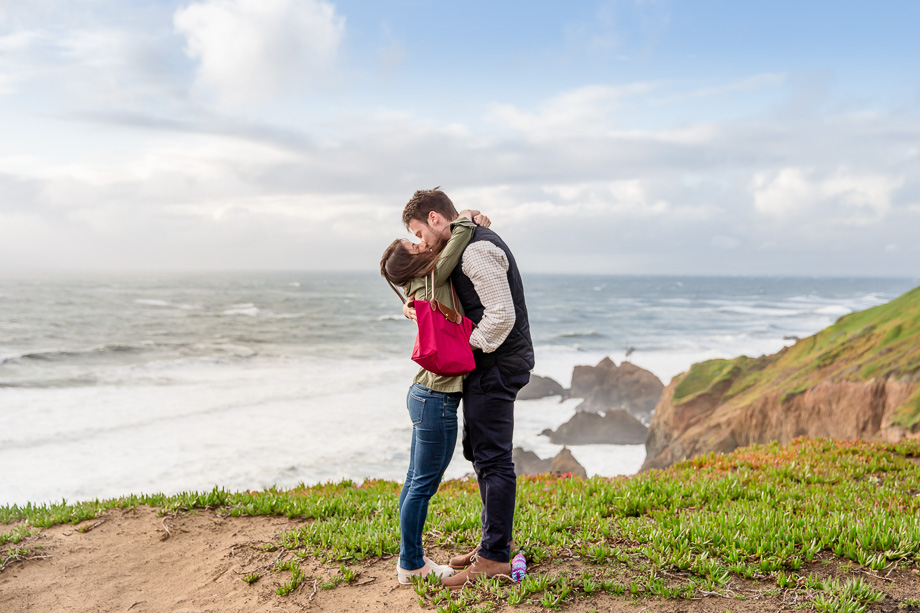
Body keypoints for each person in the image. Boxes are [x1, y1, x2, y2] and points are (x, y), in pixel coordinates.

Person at [401, 188, 534, 588]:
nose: (421, 242)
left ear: (436, 220)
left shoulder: (475, 250)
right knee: (479, 452)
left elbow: (500, 316)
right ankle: (495, 541)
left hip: (496, 363)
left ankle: (494, 558)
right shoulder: (462, 242)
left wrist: (460, 347)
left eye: (417, 232)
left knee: (492, 458)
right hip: (485, 363)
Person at [380, 206, 491, 586]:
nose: (419, 242)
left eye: (415, 236)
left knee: (414, 483)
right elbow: (454, 244)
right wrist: (465, 219)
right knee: (422, 485)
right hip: (435, 399)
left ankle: (408, 561)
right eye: (412, 243)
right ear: (410, 262)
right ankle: (411, 566)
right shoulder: (431, 275)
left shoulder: (419, 286)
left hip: (424, 395)